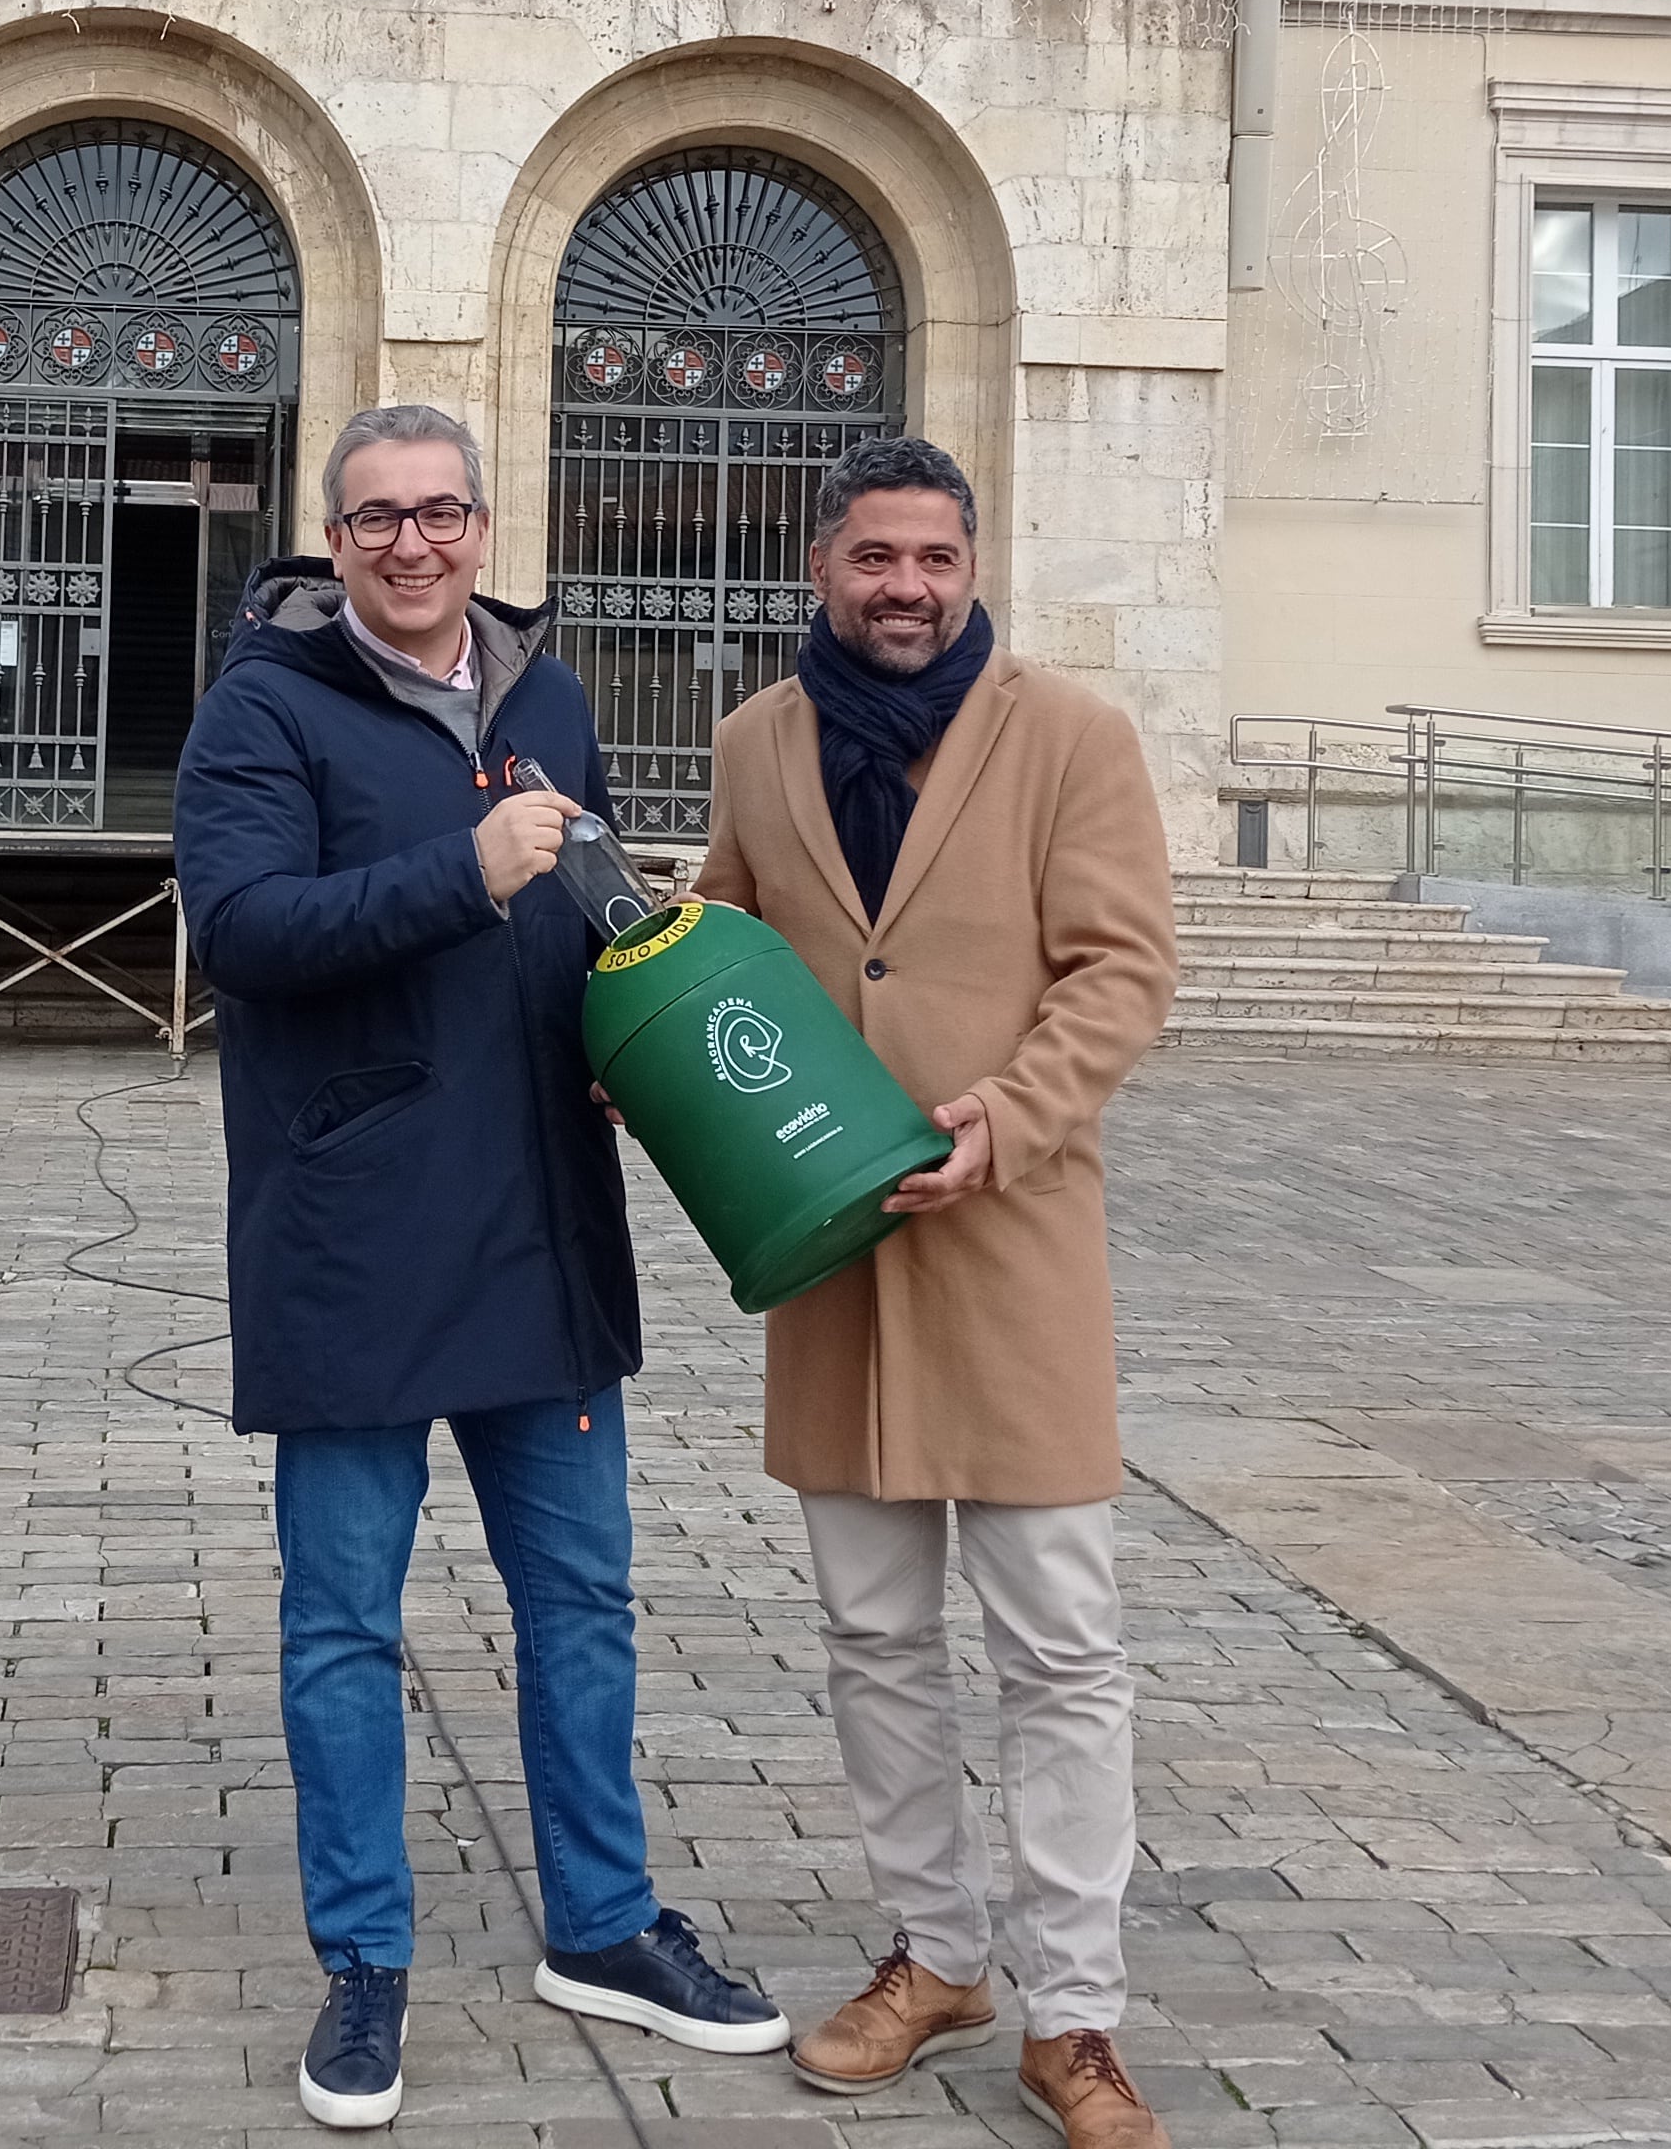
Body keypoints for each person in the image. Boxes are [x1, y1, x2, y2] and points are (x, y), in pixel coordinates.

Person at [173, 401, 791, 2133]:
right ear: (336, 537)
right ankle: (364, 1967)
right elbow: (243, 934)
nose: (414, 544)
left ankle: (602, 1926)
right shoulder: (260, 711)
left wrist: (630, 1009)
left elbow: (565, 910)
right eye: (378, 519)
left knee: (581, 1606)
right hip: (356, 1231)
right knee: (342, 1627)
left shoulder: (549, 697)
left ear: (483, 523)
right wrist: (461, 867)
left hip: (540, 1219)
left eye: (441, 513)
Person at [694, 433, 1183, 2149]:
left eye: (936, 560)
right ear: (822, 566)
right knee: (872, 1636)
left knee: (1062, 1644)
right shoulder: (758, 741)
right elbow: (722, 945)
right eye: (875, 558)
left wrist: (1012, 1122)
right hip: (834, 1264)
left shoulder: (1072, 738)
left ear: (973, 568)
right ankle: (935, 1952)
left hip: (1014, 1248)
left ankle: (1079, 2013)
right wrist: (667, 1074)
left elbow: (1123, 971)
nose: (906, 587)